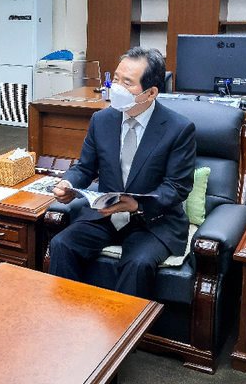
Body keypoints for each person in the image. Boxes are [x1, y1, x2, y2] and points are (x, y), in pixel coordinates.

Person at [49, 47, 196, 299]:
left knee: (137, 264)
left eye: (126, 83)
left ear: (150, 93)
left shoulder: (178, 129)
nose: (116, 87)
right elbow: (85, 167)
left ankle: (125, 335)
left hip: (153, 221)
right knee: (61, 244)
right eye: (115, 79)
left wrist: (136, 204)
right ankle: (66, 324)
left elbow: (177, 187)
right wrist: (68, 184)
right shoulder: (102, 120)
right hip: (105, 216)